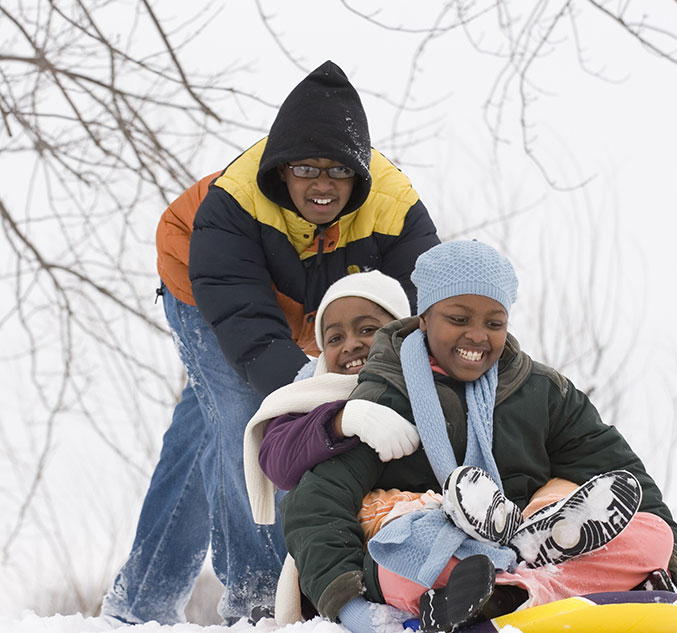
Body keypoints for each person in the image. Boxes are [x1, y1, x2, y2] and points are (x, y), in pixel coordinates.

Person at [101, 60, 440, 625]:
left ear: (360, 174)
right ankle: (257, 597)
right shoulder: (233, 204)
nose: (322, 184)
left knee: (206, 431)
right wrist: (321, 410)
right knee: (245, 413)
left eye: (338, 171)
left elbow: (414, 320)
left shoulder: (395, 207)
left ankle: (137, 606)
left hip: (311, 304)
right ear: (281, 170)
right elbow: (249, 327)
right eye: (306, 168)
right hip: (204, 285)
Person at [278, 240, 677, 633]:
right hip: (443, 558)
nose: (477, 335)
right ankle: (553, 588)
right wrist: (353, 608)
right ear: (424, 319)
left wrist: (668, 559)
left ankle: (513, 594)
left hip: (532, 549)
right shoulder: (386, 395)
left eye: (494, 323)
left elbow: (618, 468)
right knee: (399, 559)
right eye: (458, 319)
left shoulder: (542, 392)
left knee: (653, 534)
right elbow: (316, 504)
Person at [242, 269, 439, 625]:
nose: (350, 345)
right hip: (343, 538)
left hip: (430, 519)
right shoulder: (309, 398)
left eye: (367, 330)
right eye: (334, 338)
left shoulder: (430, 385)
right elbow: (277, 458)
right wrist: (342, 420)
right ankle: (360, 612)